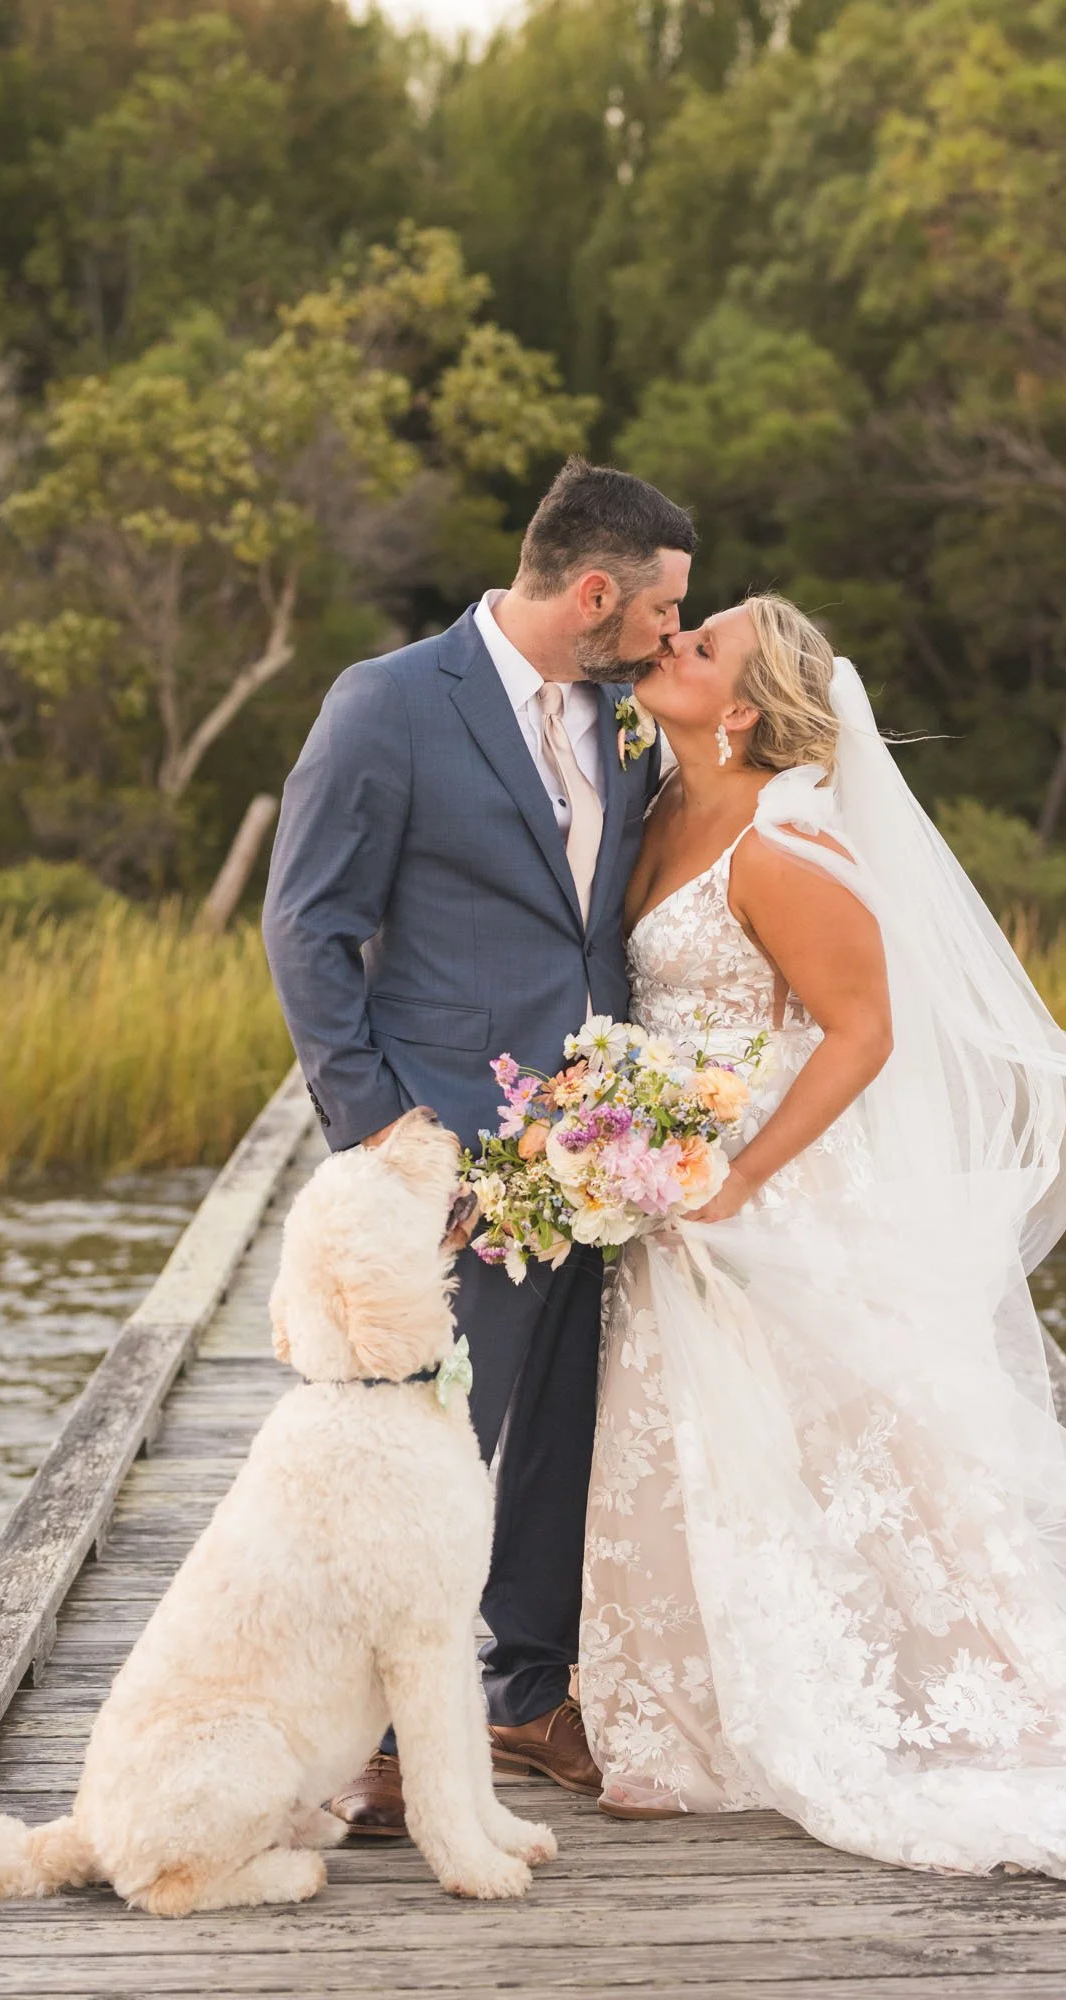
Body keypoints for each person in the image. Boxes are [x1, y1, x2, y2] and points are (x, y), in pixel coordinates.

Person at [578, 592, 1066, 1892]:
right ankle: (684, 1720)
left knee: (856, 1456)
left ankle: (942, 1702)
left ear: (740, 707)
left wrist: (736, 1181)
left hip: (764, 1196)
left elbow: (860, 1034)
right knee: (688, 1447)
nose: (669, 645)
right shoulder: (654, 808)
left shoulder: (788, 848)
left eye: (699, 642)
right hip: (663, 1180)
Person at [263, 458, 694, 1833]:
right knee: (425, 1442)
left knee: (564, 1424)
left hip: (595, 1148)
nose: (672, 633)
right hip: (438, 1149)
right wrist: (382, 1129)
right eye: (660, 609)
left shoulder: (622, 724)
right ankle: (375, 1737)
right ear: (592, 591)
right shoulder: (387, 703)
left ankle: (523, 1692)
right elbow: (306, 926)